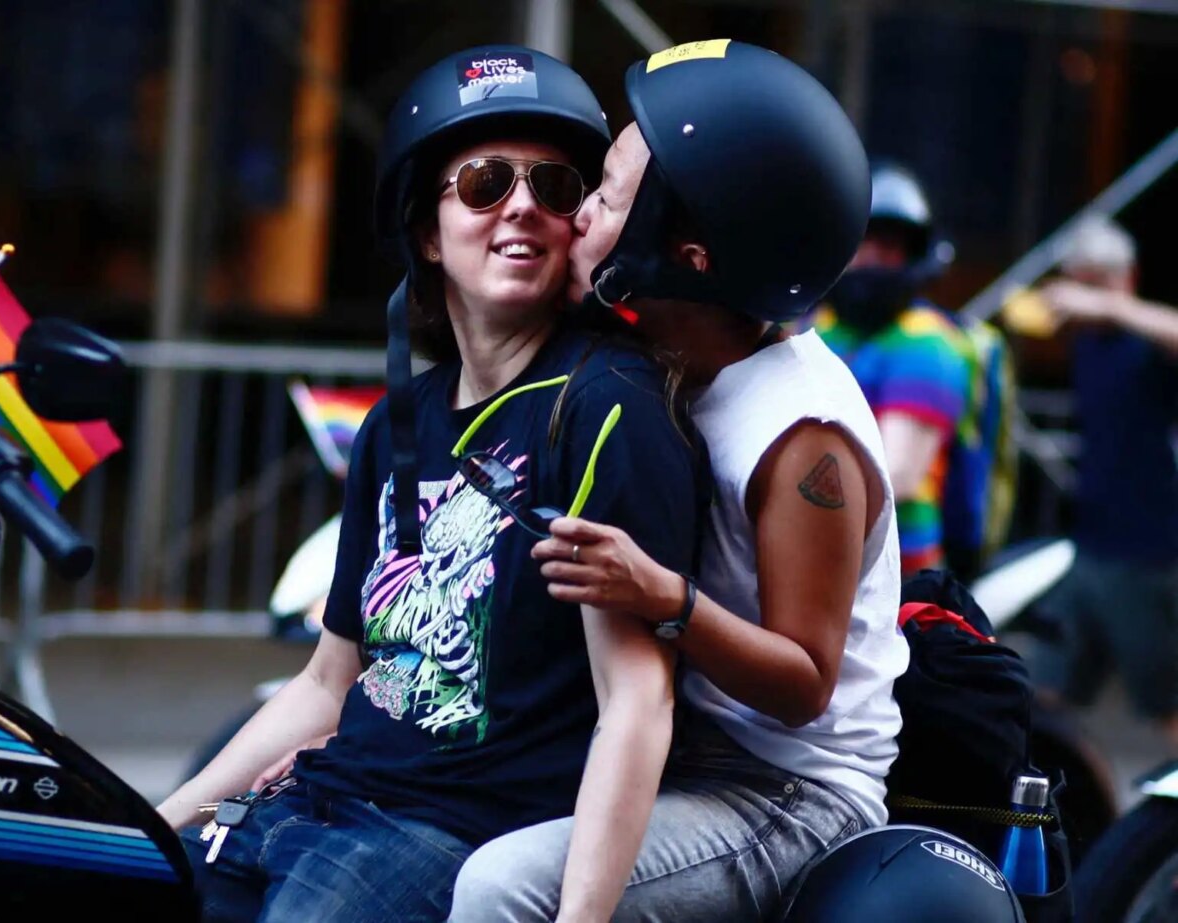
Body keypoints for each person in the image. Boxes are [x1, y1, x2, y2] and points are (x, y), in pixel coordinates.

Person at [157, 45, 701, 922]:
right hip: (306, 805)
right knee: (135, 883)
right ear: (426, 232)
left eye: (557, 187)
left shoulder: (606, 408)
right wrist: (151, 823)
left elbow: (636, 703)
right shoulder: (396, 422)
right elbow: (326, 684)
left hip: (435, 835)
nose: (523, 204)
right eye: (486, 182)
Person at [448, 40, 910, 921]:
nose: (580, 213)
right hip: (684, 747)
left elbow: (806, 681)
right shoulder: (664, 359)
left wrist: (660, 592)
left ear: (688, 247)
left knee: (504, 886)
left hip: (785, 793)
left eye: (612, 194)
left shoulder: (801, 434)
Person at [1030, 216, 1178, 745]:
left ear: (1127, 278)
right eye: (1080, 284)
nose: (1085, 299)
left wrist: (1109, 304)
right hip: (1089, 546)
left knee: (1164, 707)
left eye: (1099, 283)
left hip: (1146, 554)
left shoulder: (1146, 341)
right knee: (1045, 692)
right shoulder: (1088, 342)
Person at [811, 162, 975, 576]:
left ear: (914, 256)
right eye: (860, 242)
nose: (869, 258)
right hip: (817, 554)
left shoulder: (930, 343)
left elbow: (894, 477)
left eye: (886, 246)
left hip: (900, 571)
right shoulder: (816, 326)